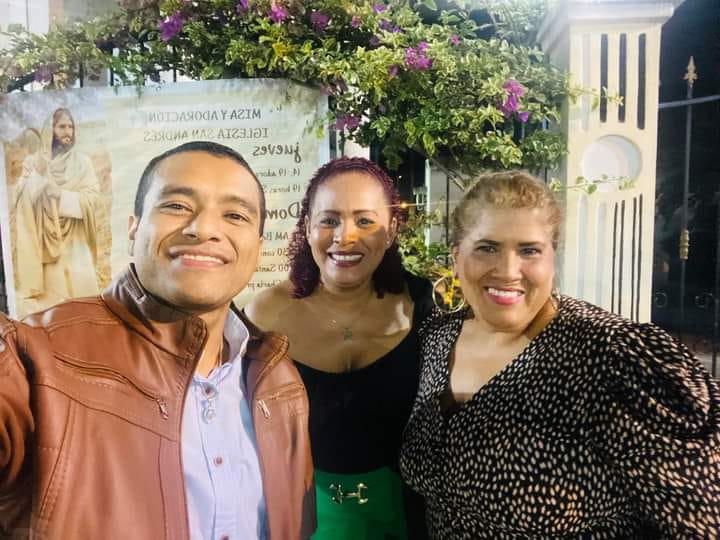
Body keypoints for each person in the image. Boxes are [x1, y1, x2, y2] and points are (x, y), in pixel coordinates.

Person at [0, 141, 316, 539]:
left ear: (258, 247)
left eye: (235, 215)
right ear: (133, 228)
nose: (203, 229)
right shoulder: (35, 357)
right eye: (177, 206)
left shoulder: (278, 380)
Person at [400, 170, 720, 538]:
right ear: (457, 257)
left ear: (552, 258)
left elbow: (700, 522)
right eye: (487, 247)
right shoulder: (437, 338)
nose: (508, 271)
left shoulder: (613, 356)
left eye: (529, 250)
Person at [246, 157, 432, 539]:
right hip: (300, 519)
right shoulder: (262, 317)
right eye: (329, 220)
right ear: (307, 228)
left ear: (391, 230)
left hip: (408, 520)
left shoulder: (421, 307)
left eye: (365, 221)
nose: (345, 237)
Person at [13, 108, 101, 315]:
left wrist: (61, 195)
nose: (67, 132)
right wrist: (39, 174)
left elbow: (93, 200)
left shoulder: (83, 163)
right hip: (47, 246)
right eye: (62, 127)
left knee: (84, 307)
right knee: (53, 310)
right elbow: (23, 201)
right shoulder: (33, 163)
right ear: (49, 131)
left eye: (70, 127)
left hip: (76, 245)